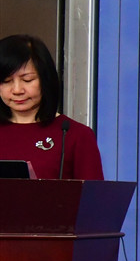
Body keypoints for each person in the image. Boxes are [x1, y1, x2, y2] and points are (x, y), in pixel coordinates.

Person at [0, 35, 104, 179]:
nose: (17, 90)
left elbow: (94, 193)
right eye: (6, 81)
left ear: (45, 79)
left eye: (27, 80)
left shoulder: (75, 135)